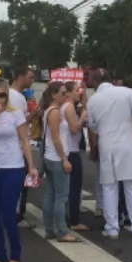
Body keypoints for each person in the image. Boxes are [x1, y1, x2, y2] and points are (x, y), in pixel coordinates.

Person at [0, 79, 38, 262]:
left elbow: (24, 141)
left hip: (14, 169)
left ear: (7, 96)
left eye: (1, 95)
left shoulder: (15, 114)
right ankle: (0, 256)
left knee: (7, 215)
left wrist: (31, 167)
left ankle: (15, 256)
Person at [87, 68, 132, 239]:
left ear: (95, 82)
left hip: (106, 144)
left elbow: (92, 125)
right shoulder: (125, 92)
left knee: (109, 187)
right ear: (110, 79)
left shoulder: (93, 100)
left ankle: (112, 228)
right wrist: (130, 116)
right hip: (126, 143)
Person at [40, 82, 80, 243]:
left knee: (50, 194)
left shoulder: (50, 110)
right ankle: (62, 231)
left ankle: (50, 229)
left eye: (66, 93)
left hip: (50, 157)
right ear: (53, 95)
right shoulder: (54, 112)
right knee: (61, 197)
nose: (65, 96)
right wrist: (65, 159)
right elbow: (56, 137)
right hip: (57, 158)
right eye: (63, 93)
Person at [8, 65, 36, 227]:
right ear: (21, 77)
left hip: (14, 146)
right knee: (21, 184)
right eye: (30, 77)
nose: (32, 81)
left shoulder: (14, 96)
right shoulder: (17, 97)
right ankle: (17, 215)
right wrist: (33, 115)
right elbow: (20, 124)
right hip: (18, 146)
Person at [63, 81, 89, 231]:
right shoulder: (69, 106)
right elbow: (74, 128)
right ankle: (73, 220)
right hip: (71, 150)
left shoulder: (64, 106)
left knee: (66, 188)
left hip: (69, 150)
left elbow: (86, 108)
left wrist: (84, 96)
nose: (78, 93)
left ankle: (66, 217)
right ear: (68, 92)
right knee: (74, 187)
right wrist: (82, 118)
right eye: (76, 90)